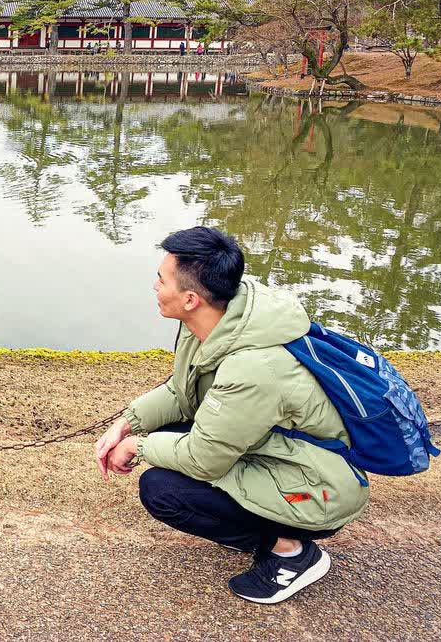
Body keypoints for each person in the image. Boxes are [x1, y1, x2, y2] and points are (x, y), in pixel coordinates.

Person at [95, 226, 366, 605]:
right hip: (276, 452)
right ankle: (255, 523)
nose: (155, 286)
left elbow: (203, 460)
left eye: (161, 280)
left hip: (318, 488)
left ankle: (290, 552)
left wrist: (137, 446)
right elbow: (181, 392)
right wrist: (127, 422)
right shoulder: (213, 318)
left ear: (190, 298)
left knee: (163, 490)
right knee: (171, 429)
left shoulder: (253, 367)